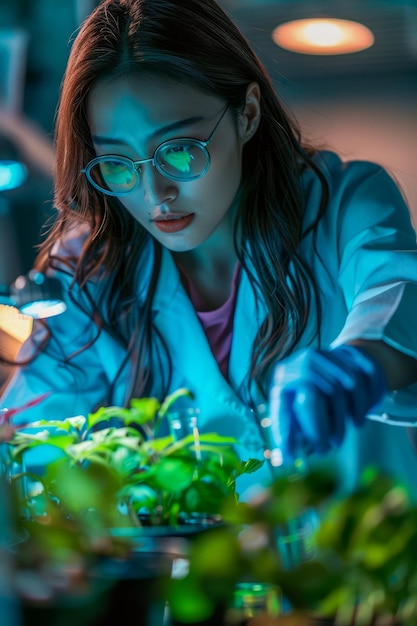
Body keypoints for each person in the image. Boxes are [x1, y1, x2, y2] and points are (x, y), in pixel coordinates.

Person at [1, 0, 417, 500]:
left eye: (178, 149)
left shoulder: (343, 203)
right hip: (194, 578)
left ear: (247, 113)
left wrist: (361, 364)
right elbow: (31, 445)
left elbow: (397, 289)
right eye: (117, 162)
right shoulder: (88, 274)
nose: (154, 195)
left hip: (362, 570)